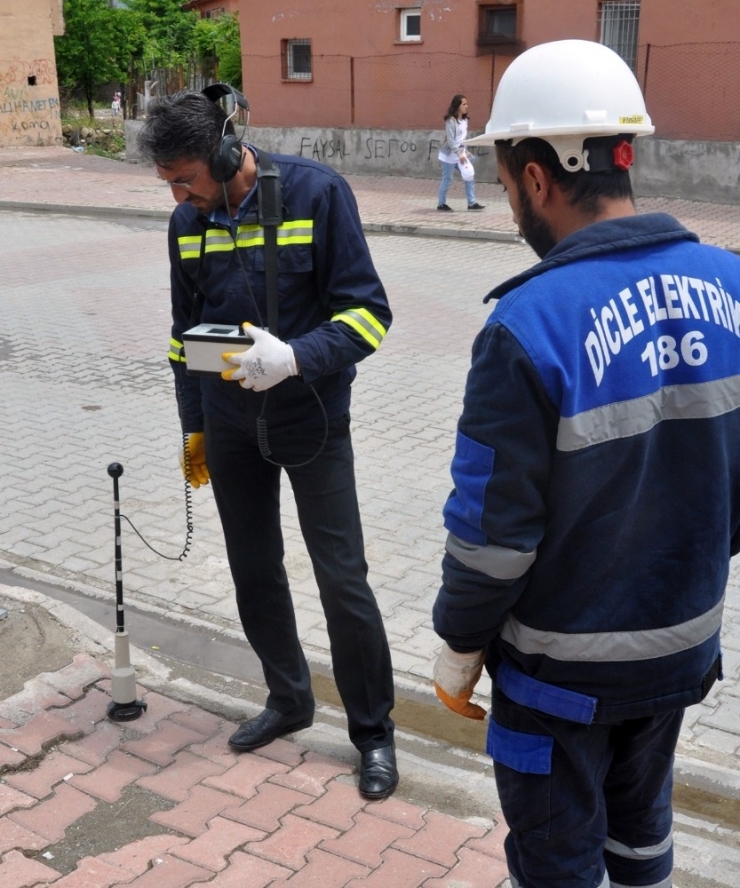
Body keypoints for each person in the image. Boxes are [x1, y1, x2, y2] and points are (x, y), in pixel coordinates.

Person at [432, 39, 740, 887]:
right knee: (641, 842)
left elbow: (493, 541)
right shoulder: (732, 285)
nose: (512, 209)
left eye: (506, 188)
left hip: (558, 683)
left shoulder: (527, 324)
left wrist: (459, 642)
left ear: (537, 178)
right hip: (679, 655)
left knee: (557, 865)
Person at [137, 85, 398, 800]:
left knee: (342, 578)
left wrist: (295, 357)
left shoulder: (318, 195)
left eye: (185, 179)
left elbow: (369, 315)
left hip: (311, 420)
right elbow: (181, 338)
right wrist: (194, 428)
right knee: (254, 570)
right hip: (229, 427)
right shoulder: (186, 224)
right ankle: (289, 699)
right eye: (168, 184)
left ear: (226, 154)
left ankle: (373, 734)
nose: (178, 198)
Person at [437, 94, 485, 212]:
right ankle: (441, 204)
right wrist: (459, 153)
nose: (466, 106)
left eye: (466, 104)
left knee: (469, 175)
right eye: (464, 104)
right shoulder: (451, 121)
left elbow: (461, 139)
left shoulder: (464, 120)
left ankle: (472, 203)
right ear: (457, 106)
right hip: (449, 156)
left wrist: (465, 151)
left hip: (460, 155)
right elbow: (451, 141)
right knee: (447, 179)